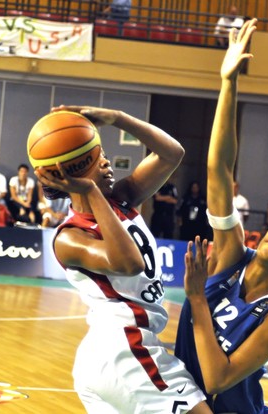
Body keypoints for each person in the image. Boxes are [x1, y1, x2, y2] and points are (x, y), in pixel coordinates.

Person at [175, 20, 268, 414]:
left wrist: (196, 298)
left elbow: (218, 378)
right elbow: (220, 170)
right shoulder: (230, 254)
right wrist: (228, 83)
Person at [34, 104, 211, 414]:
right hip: (123, 350)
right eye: (94, 158)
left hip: (118, 351)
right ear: (73, 173)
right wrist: (90, 190)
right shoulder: (70, 237)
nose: (105, 161)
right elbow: (129, 262)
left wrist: (118, 118)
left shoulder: (121, 199)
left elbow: (172, 154)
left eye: (101, 153)